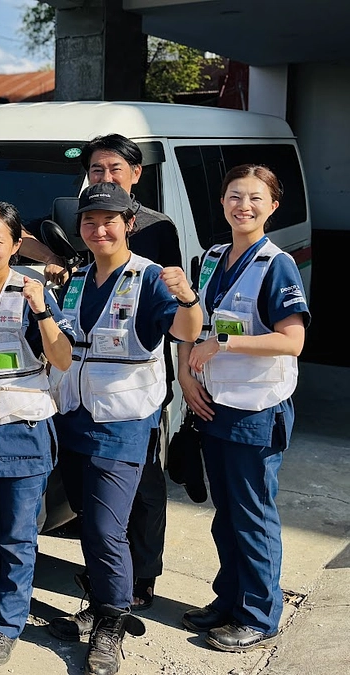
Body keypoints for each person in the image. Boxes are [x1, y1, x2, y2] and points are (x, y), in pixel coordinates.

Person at [47, 182, 201, 675]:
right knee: (85, 524)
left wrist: (188, 296)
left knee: (105, 527)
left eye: (110, 219)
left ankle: (112, 622)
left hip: (122, 423)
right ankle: (99, 603)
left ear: (129, 224)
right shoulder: (75, 280)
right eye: (90, 221)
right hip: (73, 418)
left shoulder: (150, 278)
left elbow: (187, 331)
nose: (99, 228)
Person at [178, 164, 309, 652]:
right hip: (215, 402)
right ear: (223, 202)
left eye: (255, 198)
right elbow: (195, 324)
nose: (243, 206)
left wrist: (223, 346)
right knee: (225, 513)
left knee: (252, 514)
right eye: (235, 196)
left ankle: (258, 615)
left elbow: (291, 341)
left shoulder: (277, 264)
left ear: (273, 207)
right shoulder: (213, 257)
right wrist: (188, 377)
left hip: (256, 408)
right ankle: (228, 599)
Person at [0, 202, 75, 667]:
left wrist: (42, 311)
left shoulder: (31, 292)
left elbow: (61, 359)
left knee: (17, 537)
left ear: (16, 245)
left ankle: (5, 624)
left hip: (23, 426)